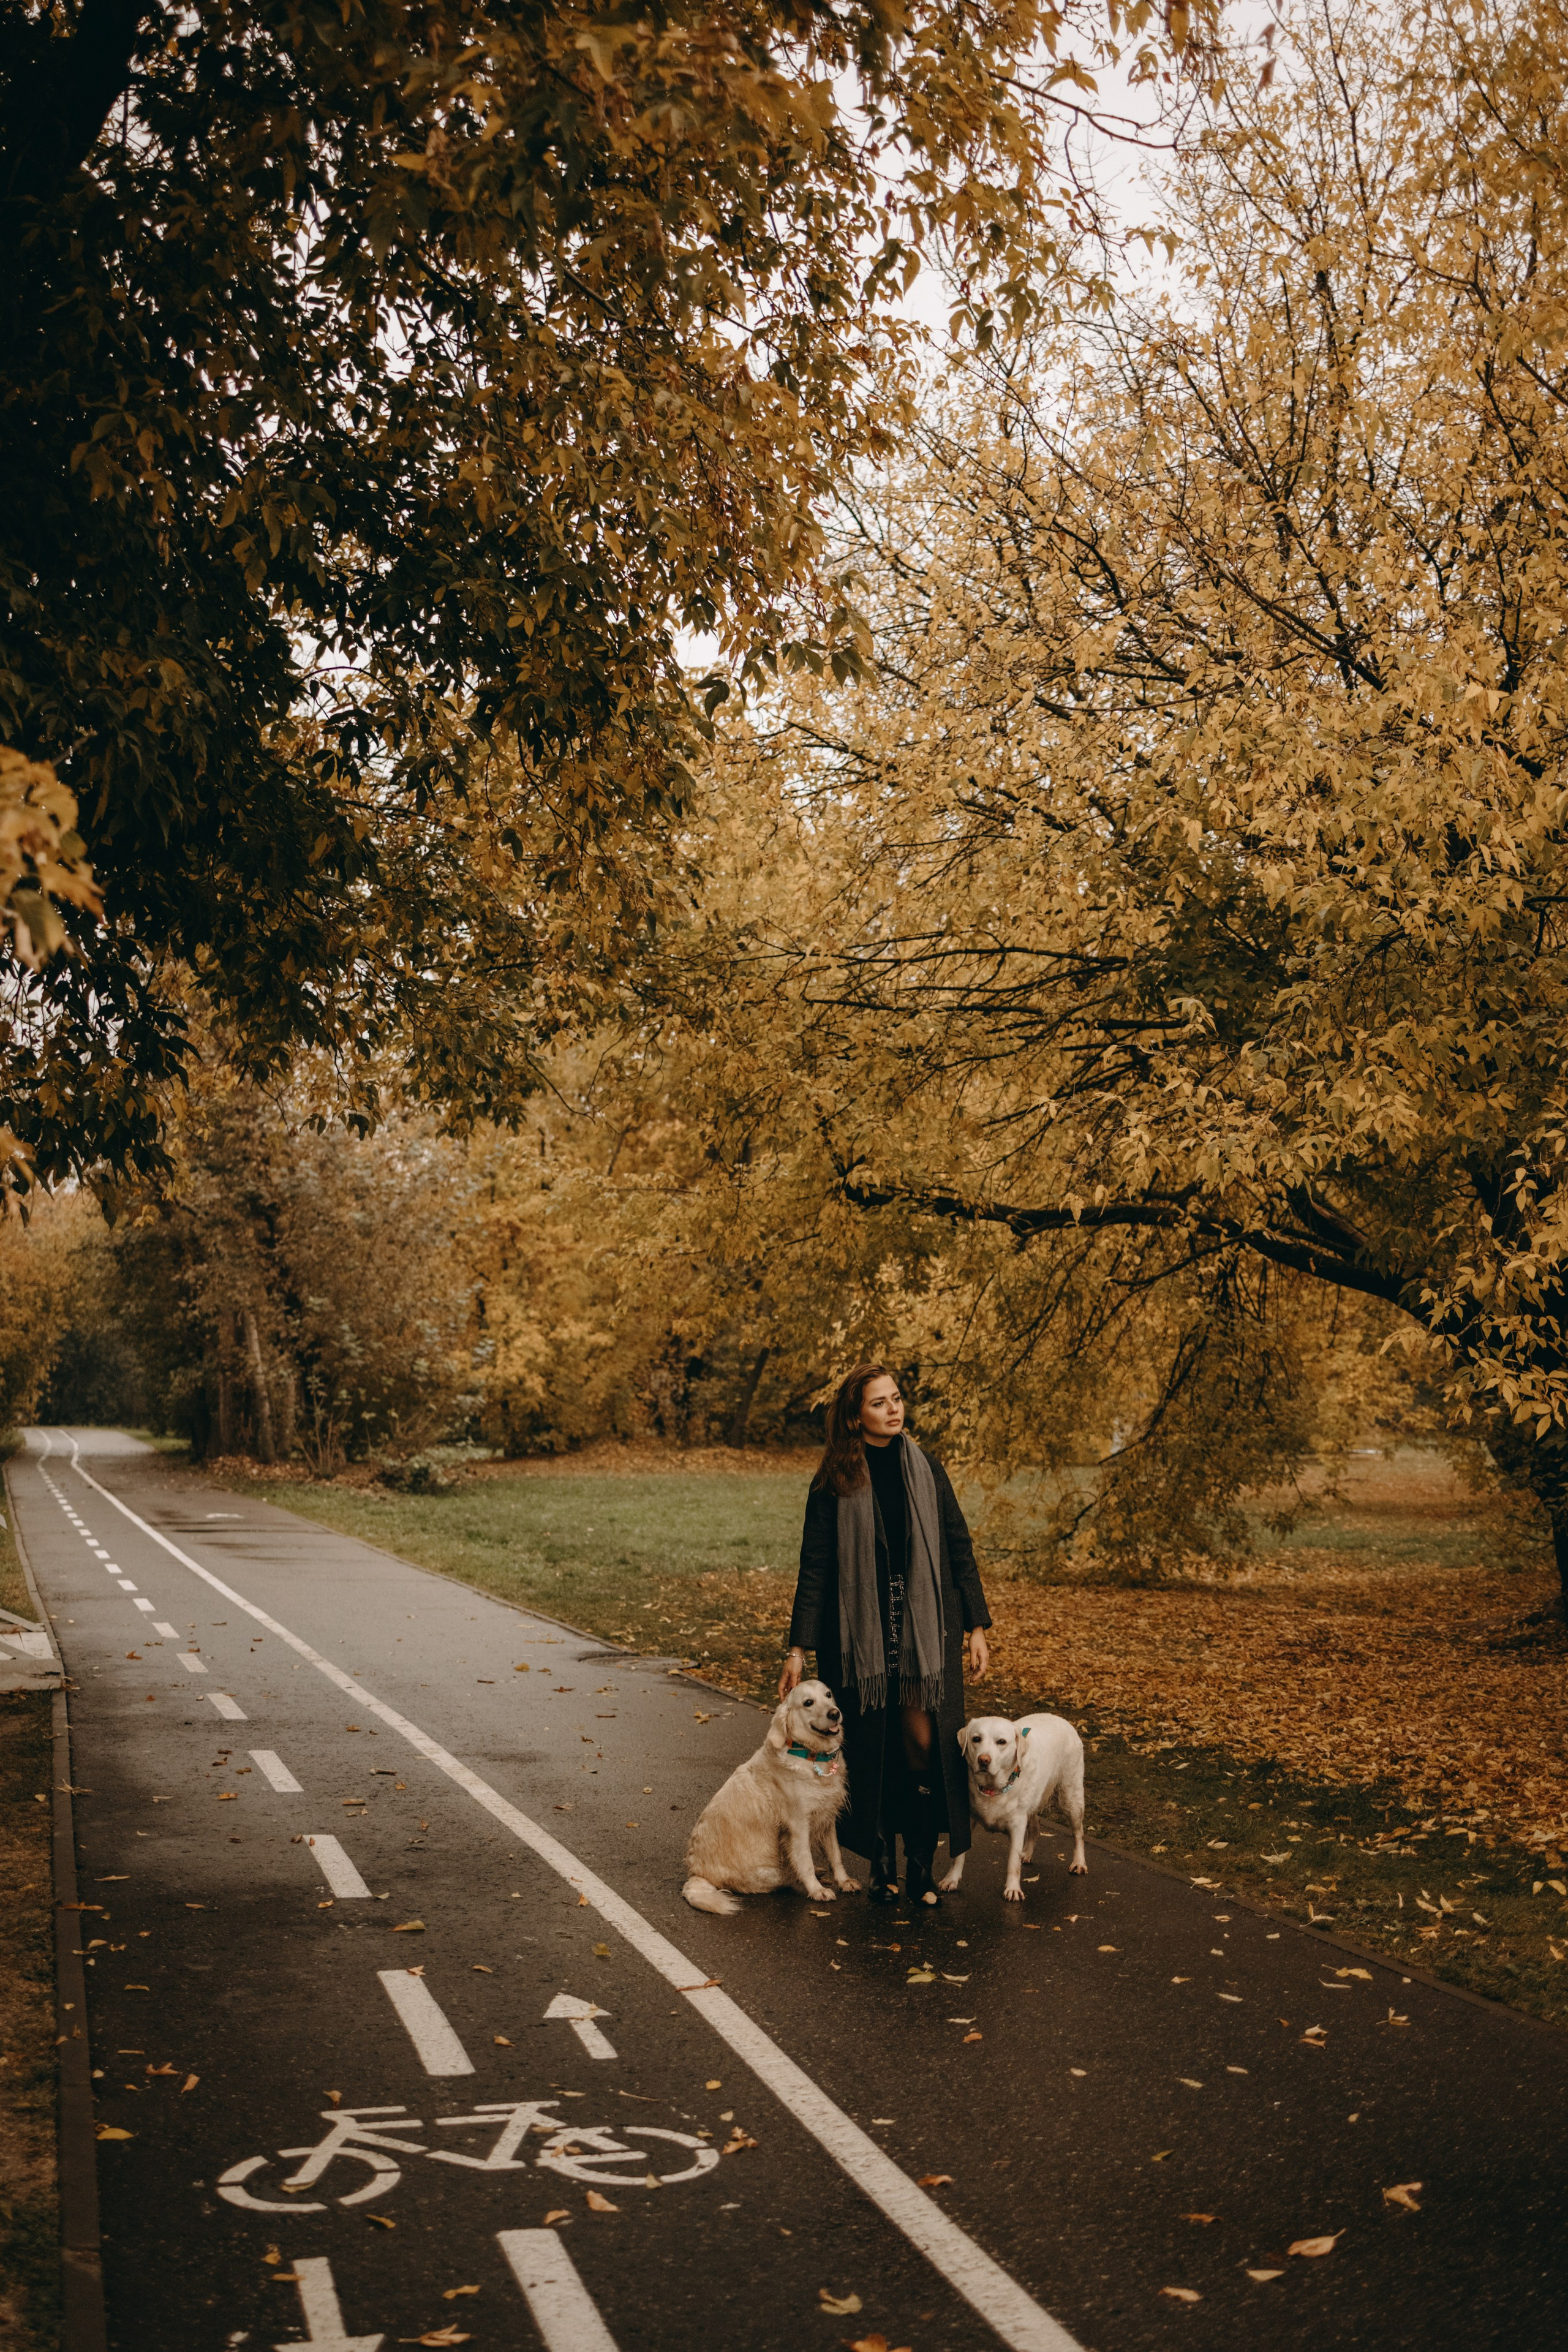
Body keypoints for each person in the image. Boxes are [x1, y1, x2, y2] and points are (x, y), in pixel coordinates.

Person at [780, 1363, 992, 1905]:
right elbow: (816, 1566)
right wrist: (798, 1646)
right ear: (856, 1416)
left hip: (924, 1634)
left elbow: (957, 1544)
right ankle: (883, 1866)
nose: (894, 1409)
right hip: (859, 1641)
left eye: (897, 1398)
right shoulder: (834, 1479)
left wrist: (975, 1625)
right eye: (879, 1402)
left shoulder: (926, 1468)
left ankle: (921, 1865)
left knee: (922, 1744)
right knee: (875, 1753)